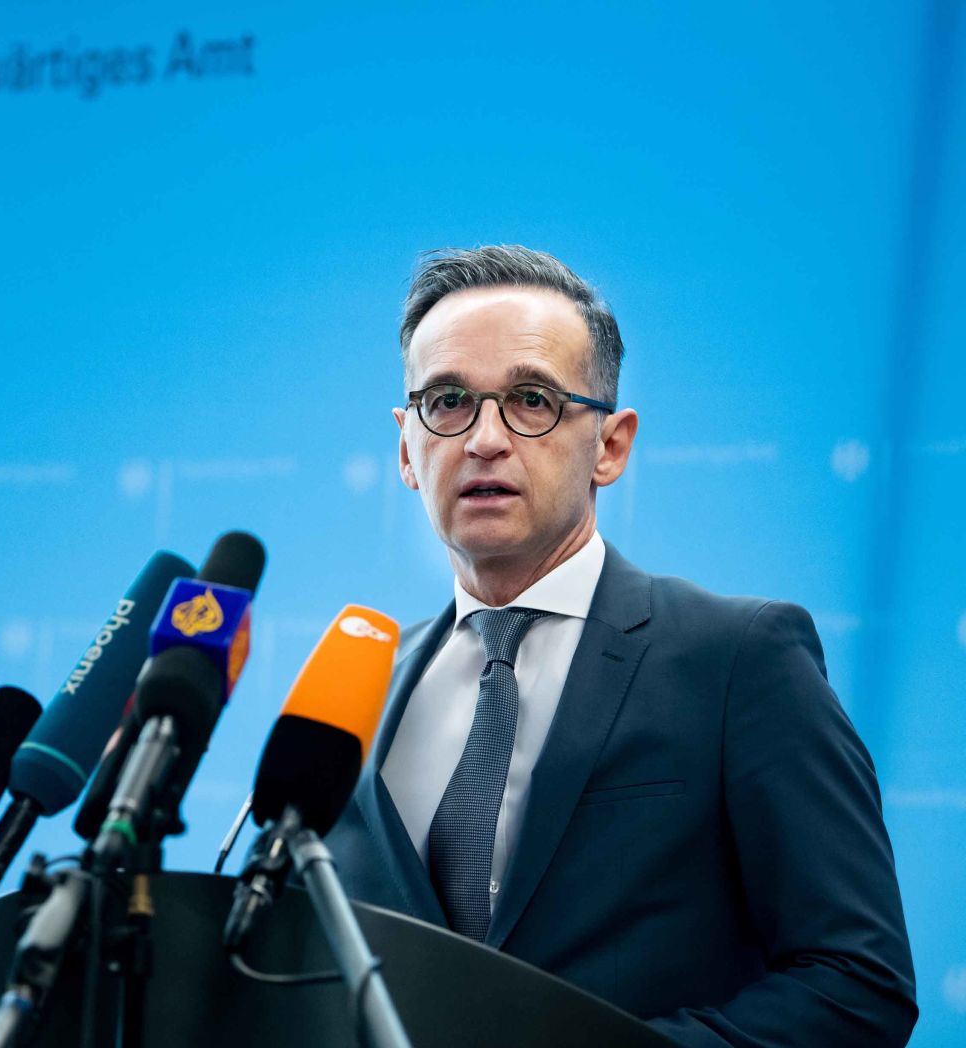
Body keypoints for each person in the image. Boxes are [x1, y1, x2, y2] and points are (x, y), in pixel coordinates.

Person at [325, 245, 917, 1046]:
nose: (484, 439)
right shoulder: (352, 693)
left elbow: (858, 981)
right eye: (448, 400)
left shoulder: (741, 659)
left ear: (610, 443)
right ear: (406, 446)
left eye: (531, 400)